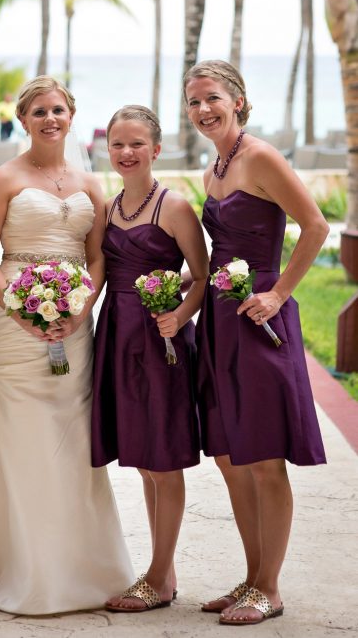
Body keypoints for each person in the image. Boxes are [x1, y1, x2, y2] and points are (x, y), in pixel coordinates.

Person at [0, 75, 133, 613]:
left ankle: (76, 565)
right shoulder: (3, 179)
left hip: (75, 327)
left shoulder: (91, 183)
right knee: (19, 433)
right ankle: (11, 564)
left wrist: (80, 307)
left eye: (58, 110)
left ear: (70, 117)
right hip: (14, 326)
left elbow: (96, 256)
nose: (49, 119)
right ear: (23, 119)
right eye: (38, 112)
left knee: (71, 437)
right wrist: (19, 308)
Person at [184, 59, 328, 626]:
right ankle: (250, 577)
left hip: (260, 318)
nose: (203, 110)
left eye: (213, 98)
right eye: (194, 102)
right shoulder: (213, 169)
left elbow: (314, 225)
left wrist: (279, 293)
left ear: (238, 100)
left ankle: (270, 587)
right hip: (221, 322)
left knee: (265, 458)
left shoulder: (262, 156)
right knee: (228, 455)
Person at [92, 105, 208, 613]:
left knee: (163, 459)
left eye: (137, 143)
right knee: (142, 459)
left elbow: (202, 276)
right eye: (118, 143)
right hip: (115, 333)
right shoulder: (108, 208)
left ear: (156, 150)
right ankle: (165, 572)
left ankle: (158, 576)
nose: (126, 152)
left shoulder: (176, 207)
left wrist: (179, 316)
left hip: (160, 340)